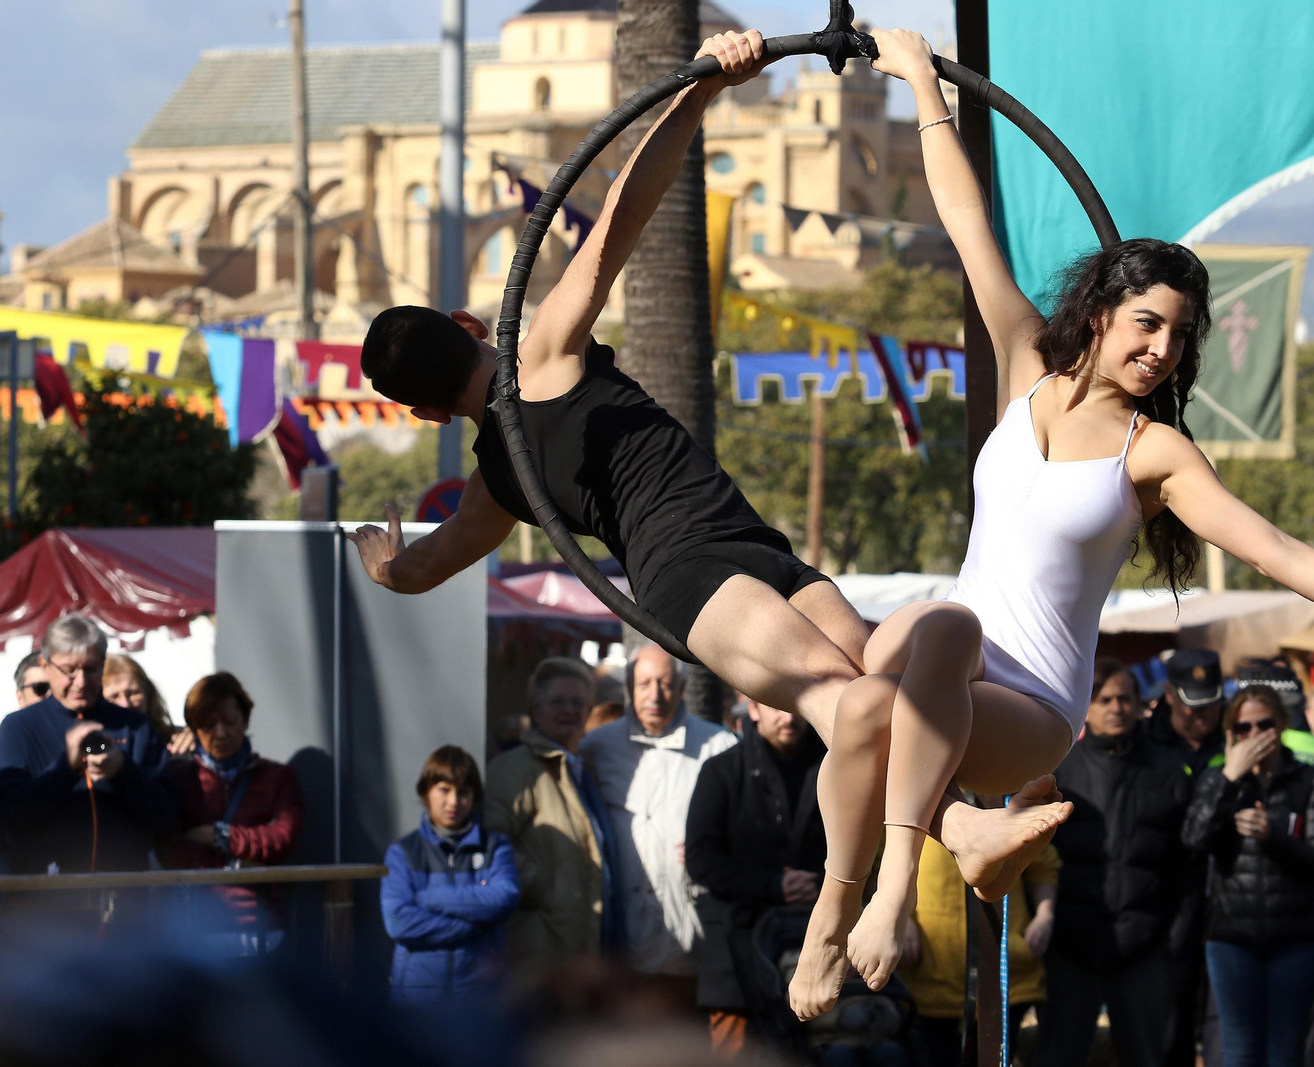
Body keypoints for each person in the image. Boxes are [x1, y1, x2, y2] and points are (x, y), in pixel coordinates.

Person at [798, 28, 1314, 1021]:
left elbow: (1275, 548)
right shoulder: (1024, 366)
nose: (1161, 350)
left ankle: (893, 887)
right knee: (872, 681)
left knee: (934, 627)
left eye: (1179, 336)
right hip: (945, 677)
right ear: (1102, 313)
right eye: (1148, 323)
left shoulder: (1152, 453)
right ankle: (837, 908)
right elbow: (966, 220)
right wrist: (918, 83)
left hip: (1028, 706)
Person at [344, 26, 1068, 947]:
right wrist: (698, 91)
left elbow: (427, 565)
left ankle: (964, 830)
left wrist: (383, 562)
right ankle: (950, 840)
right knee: (839, 695)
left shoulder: (496, 480)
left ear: (422, 414)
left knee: (881, 685)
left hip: (739, 552)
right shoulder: (543, 348)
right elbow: (623, 214)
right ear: (466, 321)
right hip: (699, 572)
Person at [1035, 659, 1195, 1067]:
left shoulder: (1169, 772)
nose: (1116, 708)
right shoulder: (1057, 771)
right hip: (1069, 946)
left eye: (1124, 698)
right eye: (1104, 699)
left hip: (1145, 946)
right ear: (1086, 706)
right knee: (1060, 1055)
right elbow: (1037, 858)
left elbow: (1185, 865)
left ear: (1139, 704)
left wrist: (1173, 940)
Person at [1183, 686, 1314, 1067]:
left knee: (1286, 1052)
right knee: (1240, 1051)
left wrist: (1274, 837)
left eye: (1264, 724)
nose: (1254, 735)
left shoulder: (1309, 781)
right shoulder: (1218, 779)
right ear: (1231, 733)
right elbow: (1194, 840)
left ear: (1281, 725)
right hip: (1233, 939)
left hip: (1296, 938)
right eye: (1243, 727)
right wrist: (1230, 777)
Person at [580, 644, 737, 1005]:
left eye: (665, 684)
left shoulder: (718, 744)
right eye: (644, 684)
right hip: (622, 933)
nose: (655, 695)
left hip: (696, 930)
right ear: (629, 687)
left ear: (682, 688)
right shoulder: (597, 747)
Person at [685, 695, 826, 1057]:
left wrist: (821, 885)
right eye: (776, 705)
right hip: (736, 953)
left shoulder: (831, 768)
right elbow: (701, 859)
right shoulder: (721, 771)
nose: (788, 717)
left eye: (795, 707)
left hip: (812, 947)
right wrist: (773, 885)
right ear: (753, 709)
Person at [0, 613, 175, 874]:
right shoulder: (19, 727)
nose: (81, 682)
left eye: (91, 669)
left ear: (103, 665)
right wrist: (66, 769)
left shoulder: (135, 726)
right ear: (45, 665)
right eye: (69, 670)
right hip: (43, 893)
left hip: (124, 892)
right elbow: (9, 819)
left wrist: (123, 771)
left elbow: (168, 818)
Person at [485, 655, 619, 968]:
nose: (569, 709)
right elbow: (491, 844)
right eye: (557, 701)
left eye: (578, 702)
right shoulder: (514, 768)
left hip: (581, 947)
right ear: (535, 710)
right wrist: (548, 891)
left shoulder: (583, 769)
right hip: (538, 950)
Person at [161, 673, 305, 950]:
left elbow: (283, 837)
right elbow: (171, 847)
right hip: (194, 929)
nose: (221, 733)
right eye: (208, 725)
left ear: (245, 720)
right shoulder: (178, 778)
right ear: (193, 728)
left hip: (262, 928)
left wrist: (218, 836)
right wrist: (239, 867)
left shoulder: (278, 777)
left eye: (229, 722)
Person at [901, 839, 1060, 1067]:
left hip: (1006, 973)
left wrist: (1045, 915)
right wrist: (900, 917)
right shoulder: (904, 818)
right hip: (930, 975)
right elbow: (878, 864)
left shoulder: (1008, 812)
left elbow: (1042, 861)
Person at [381, 745, 518, 1004]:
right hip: (418, 999)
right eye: (444, 790)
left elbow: (504, 898)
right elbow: (398, 921)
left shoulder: (495, 846)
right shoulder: (404, 852)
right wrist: (473, 925)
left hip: (481, 997)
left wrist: (428, 899)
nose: (453, 801)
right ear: (426, 792)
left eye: (463, 792)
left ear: (474, 796)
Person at [102, 653, 193, 755]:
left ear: (147, 693)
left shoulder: (172, 740)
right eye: (114, 697)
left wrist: (198, 738)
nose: (125, 704)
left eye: (133, 693)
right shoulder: (93, 745)